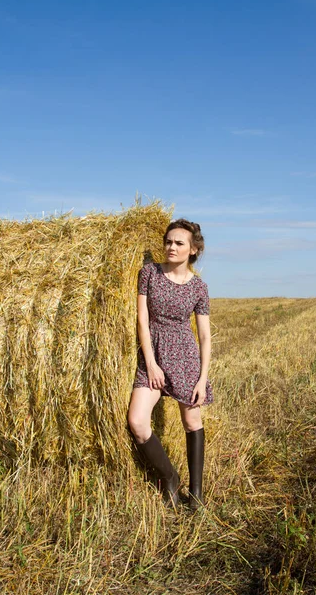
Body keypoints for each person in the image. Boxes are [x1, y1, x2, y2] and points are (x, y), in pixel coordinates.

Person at [128, 218, 213, 510]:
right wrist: (150, 362)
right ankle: (169, 477)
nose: (171, 247)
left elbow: (204, 335)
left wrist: (202, 379)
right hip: (152, 354)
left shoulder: (199, 287)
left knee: (191, 421)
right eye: (168, 241)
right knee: (138, 423)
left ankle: (197, 494)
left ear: (193, 250)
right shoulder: (149, 273)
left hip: (184, 356)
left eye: (179, 243)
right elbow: (142, 319)